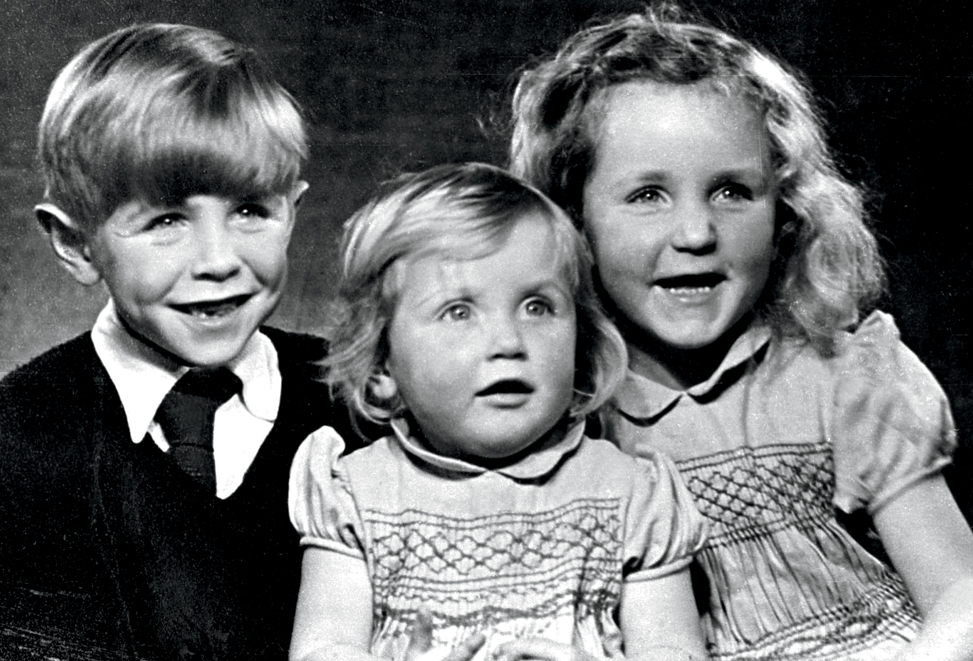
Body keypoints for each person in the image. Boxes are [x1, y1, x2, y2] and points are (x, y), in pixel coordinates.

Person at [508, 6, 973, 661]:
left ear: (784, 211)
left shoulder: (843, 376)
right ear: (572, 218)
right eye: (647, 195)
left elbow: (961, 596)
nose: (695, 234)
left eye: (730, 191)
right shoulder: (568, 418)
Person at [0, 23, 363, 660]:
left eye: (251, 209)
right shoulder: (18, 437)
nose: (219, 260)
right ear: (76, 243)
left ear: (293, 210)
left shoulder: (358, 402)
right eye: (166, 219)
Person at [287, 163, 708, 661]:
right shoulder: (355, 496)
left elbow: (675, 650)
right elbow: (323, 650)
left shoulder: (631, 493)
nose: (509, 343)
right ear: (382, 364)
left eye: (537, 307)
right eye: (459, 311)